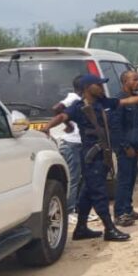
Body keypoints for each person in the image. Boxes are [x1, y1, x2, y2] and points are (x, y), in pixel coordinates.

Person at [41, 74, 138, 242]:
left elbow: (128, 102)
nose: (101, 88)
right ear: (87, 89)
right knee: (99, 193)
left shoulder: (104, 103)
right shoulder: (78, 107)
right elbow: (62, 116)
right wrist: (47, 127)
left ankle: (81, 228)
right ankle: (109, 228)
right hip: (91, 156)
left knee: (87, 192)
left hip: (102, 154)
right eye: (98, 85)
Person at [109, 70, 138, 226]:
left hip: (134, 145)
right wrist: (125, 146)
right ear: (125, 82)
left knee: (132, 179)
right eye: (134, 80)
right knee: (123, 181)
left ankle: (128, 209)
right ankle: (120, 214)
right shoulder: (119, 100)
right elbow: (115, 127)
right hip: (125, 147)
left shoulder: (134, 100)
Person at [50, 76, 85, 215]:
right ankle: (69, 210)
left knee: (78, 177)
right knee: (73, 178)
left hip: (77, 142)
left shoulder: (78, 99)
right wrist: (68, 124)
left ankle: (75, 207)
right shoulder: (73, 98)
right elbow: (56, 108)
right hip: (72, 143)